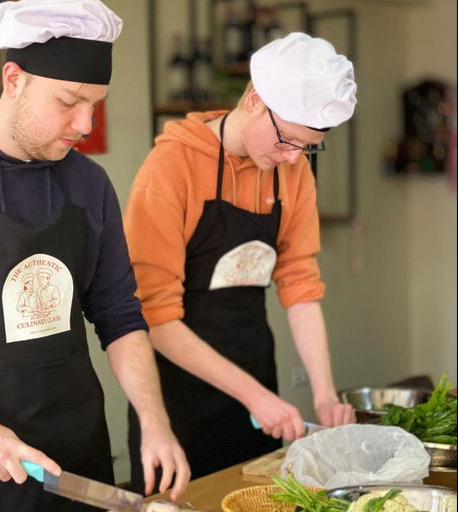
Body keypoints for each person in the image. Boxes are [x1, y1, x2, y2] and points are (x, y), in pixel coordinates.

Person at [0, 1, 189, 510]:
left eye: (96, 104)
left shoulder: (89, 184)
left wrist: (155, 423)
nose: (85, 123)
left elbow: (119, 315)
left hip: (78, 470)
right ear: (14, 79)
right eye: (69, 101)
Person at [123, 32, 358, 489]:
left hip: (257, 380)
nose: (293, 157)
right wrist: (255, 397)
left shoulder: (293, 172)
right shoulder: (170, 168)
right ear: (253, 100)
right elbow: (154, 317)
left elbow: (300, 285)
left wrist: (324, 394)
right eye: (287, 140)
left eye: (306, 147)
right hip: (178, 397)